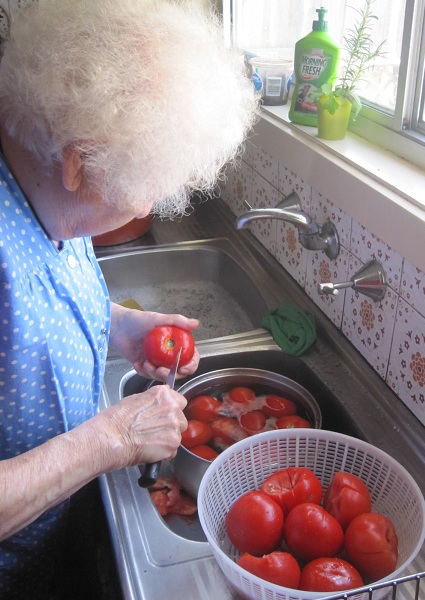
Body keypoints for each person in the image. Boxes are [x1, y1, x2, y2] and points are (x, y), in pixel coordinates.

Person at [0, 0, 258, 597]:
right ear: (77, 162)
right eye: (143, 190)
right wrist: (112, 439)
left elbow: (35, 311)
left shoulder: (48, 197)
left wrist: (114, 326)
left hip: (45, 536)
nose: (145, 212)